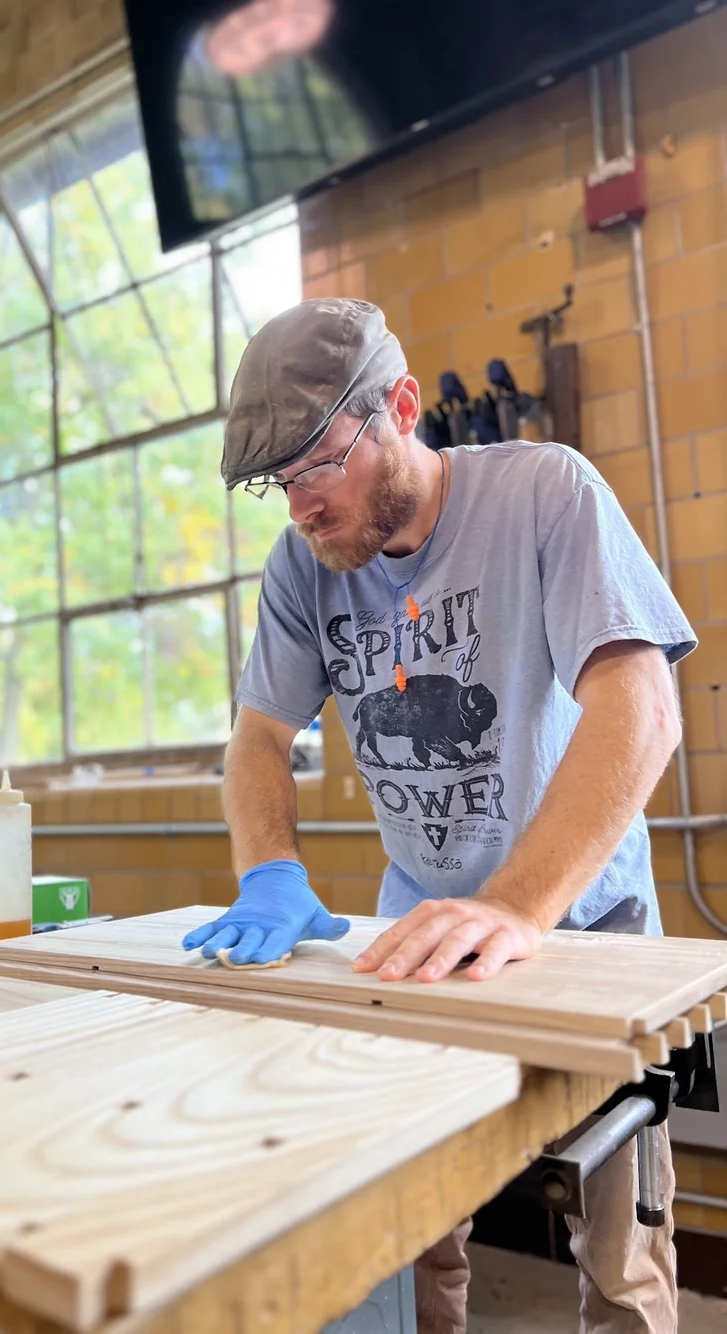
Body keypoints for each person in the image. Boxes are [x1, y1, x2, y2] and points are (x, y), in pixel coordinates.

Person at [182, 298, 696, 1333]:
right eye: (280, 484)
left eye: (317, 465)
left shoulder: (544, 492)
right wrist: (268, 872)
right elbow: (257, 740)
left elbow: (641, 711)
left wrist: (514, 906)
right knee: (407, 1241)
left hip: (578, 929)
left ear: (400, 408)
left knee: (620, 1258)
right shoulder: (302, 568)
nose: (301, 508)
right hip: (414, 943)